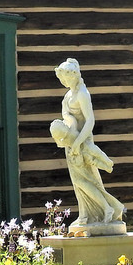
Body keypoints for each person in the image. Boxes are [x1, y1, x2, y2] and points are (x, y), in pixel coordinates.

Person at [53, 58, 125, 233]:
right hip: (71, 143)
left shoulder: (82, 94)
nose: (65, 80)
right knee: (78, 182)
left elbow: (90, 121)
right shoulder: (68, 96)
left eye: (68, 76)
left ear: (75, 76)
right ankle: (85, 214)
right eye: (63, 78)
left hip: (84, 142)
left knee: (88, 180)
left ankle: (108, 208)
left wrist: (78, 142)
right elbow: (67, 117)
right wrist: (68, 135)